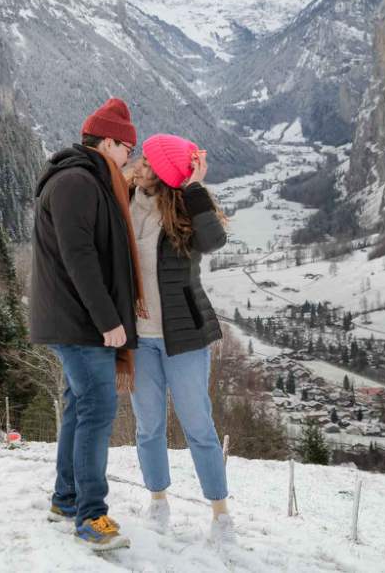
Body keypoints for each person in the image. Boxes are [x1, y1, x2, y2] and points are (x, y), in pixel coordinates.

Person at [28, 97, 142, 552]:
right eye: (126, 150)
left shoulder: (84, 178)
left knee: (80, 407)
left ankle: (65, 498)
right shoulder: (77, 181)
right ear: (108, 142)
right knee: (97, 410)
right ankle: (91, 516)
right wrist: (109, 321)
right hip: (80, 323)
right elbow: (81, 257)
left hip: (72, 319)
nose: (128, 159)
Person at [126, 134, 234, 546]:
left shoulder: (184, 208)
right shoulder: (124, 202)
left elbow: (214, 241)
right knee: (148, 426)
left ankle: (221, 513)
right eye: (143, 161)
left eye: (154, 166)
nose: (144, 168)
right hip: (139, 338)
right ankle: (158, 500)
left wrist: (194, 188)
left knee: (198, 426)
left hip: (184, 336)